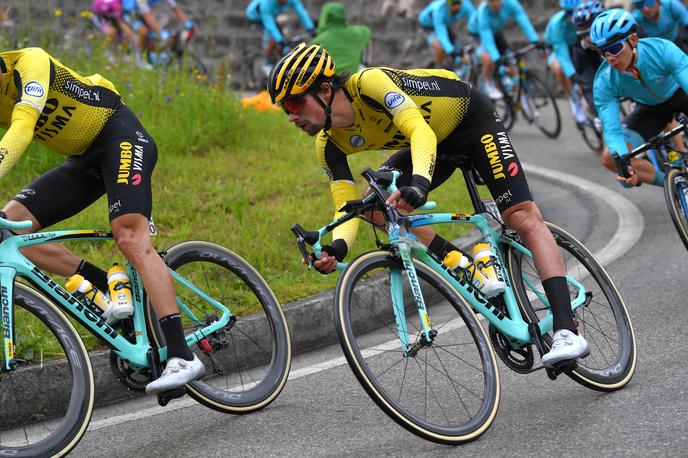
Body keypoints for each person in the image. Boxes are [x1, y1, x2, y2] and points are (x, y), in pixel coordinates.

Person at [268, 43, 590, 366]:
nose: (291, 115)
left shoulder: (369, 85)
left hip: (470, 122)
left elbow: (418, 129)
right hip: (432, 144)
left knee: (521, 216)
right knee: (371, 203)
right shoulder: (328, 145)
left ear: (325, 90)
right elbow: (345, 205)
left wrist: (419, 184)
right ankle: (462, 263)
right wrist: (337, 247)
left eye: (295, 102)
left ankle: (566, 330)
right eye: (285, 108)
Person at [0, 47, 204, 393]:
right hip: (81, 162)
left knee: (129, 237)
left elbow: (22, 127)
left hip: (119, 137)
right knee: (8, 229)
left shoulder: (28, 63)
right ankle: (105, 289)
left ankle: (183, 355)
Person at [591, 9, 688, 187]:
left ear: (633, 40)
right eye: (602, 52)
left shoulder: (662, 50)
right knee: (610, 158)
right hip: (650, 110)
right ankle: (674, 184)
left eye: (614, 48)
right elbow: (613, 132)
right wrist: (624, 167)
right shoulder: (604, 80)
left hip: (680, 95)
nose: (610, 58)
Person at [467, 0, 541, 99]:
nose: (494, 4)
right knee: (489, 60)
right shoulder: (483, 12)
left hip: (495, 32)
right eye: (491, 1)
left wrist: (535, 40)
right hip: (478, 35)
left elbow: (523, 21)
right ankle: (487, 82)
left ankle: (518, 94)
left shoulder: (511, 3)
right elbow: (487, 40)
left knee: (511, 61)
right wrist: (496, 58)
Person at [545, 0, 588, 124]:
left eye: (575, 12)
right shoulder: (557, 23)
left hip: (575, 45)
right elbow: (562, 54)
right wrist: (573, 76)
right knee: (560, 69)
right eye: (569, 13)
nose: (572, 16)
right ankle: (573, 98)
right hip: (557, 48)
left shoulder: (585, 16)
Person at [121, 0, 195, 64]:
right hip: (128, 13)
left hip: (140, 12)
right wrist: (161, 33)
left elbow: (175, 8)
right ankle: (137, 57)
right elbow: (148, 16)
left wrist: (188, 24)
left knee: (154, 35)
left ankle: (151, 57)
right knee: (144, 31)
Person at [311, 2, 371, 76]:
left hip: (329, 83)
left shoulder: (317, 41)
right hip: (351, 80)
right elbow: (367, 30)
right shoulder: (357, 34)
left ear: (324, 17)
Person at [246, 0, 315, 63]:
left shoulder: (293, 1)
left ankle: (280, 57)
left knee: (282, 35)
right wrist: (279, 40)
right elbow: (270, 25)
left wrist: (310, 28)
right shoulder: (266, 3)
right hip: (256, 17)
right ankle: (267, 62)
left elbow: (302, 13)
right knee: (274, 38)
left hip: (273, 14)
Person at [418, 0, 475, 69]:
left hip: (443, 24)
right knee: (440, 47)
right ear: (447, 3)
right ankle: (438, 71)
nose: (457, 6)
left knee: (457, 46)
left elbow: (474, 20)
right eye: (453, 3)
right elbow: (442, 37)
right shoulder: (439, 11)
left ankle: (459, 66)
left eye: (458, 3)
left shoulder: (466, 4)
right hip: (428, 27)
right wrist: (452, 52)